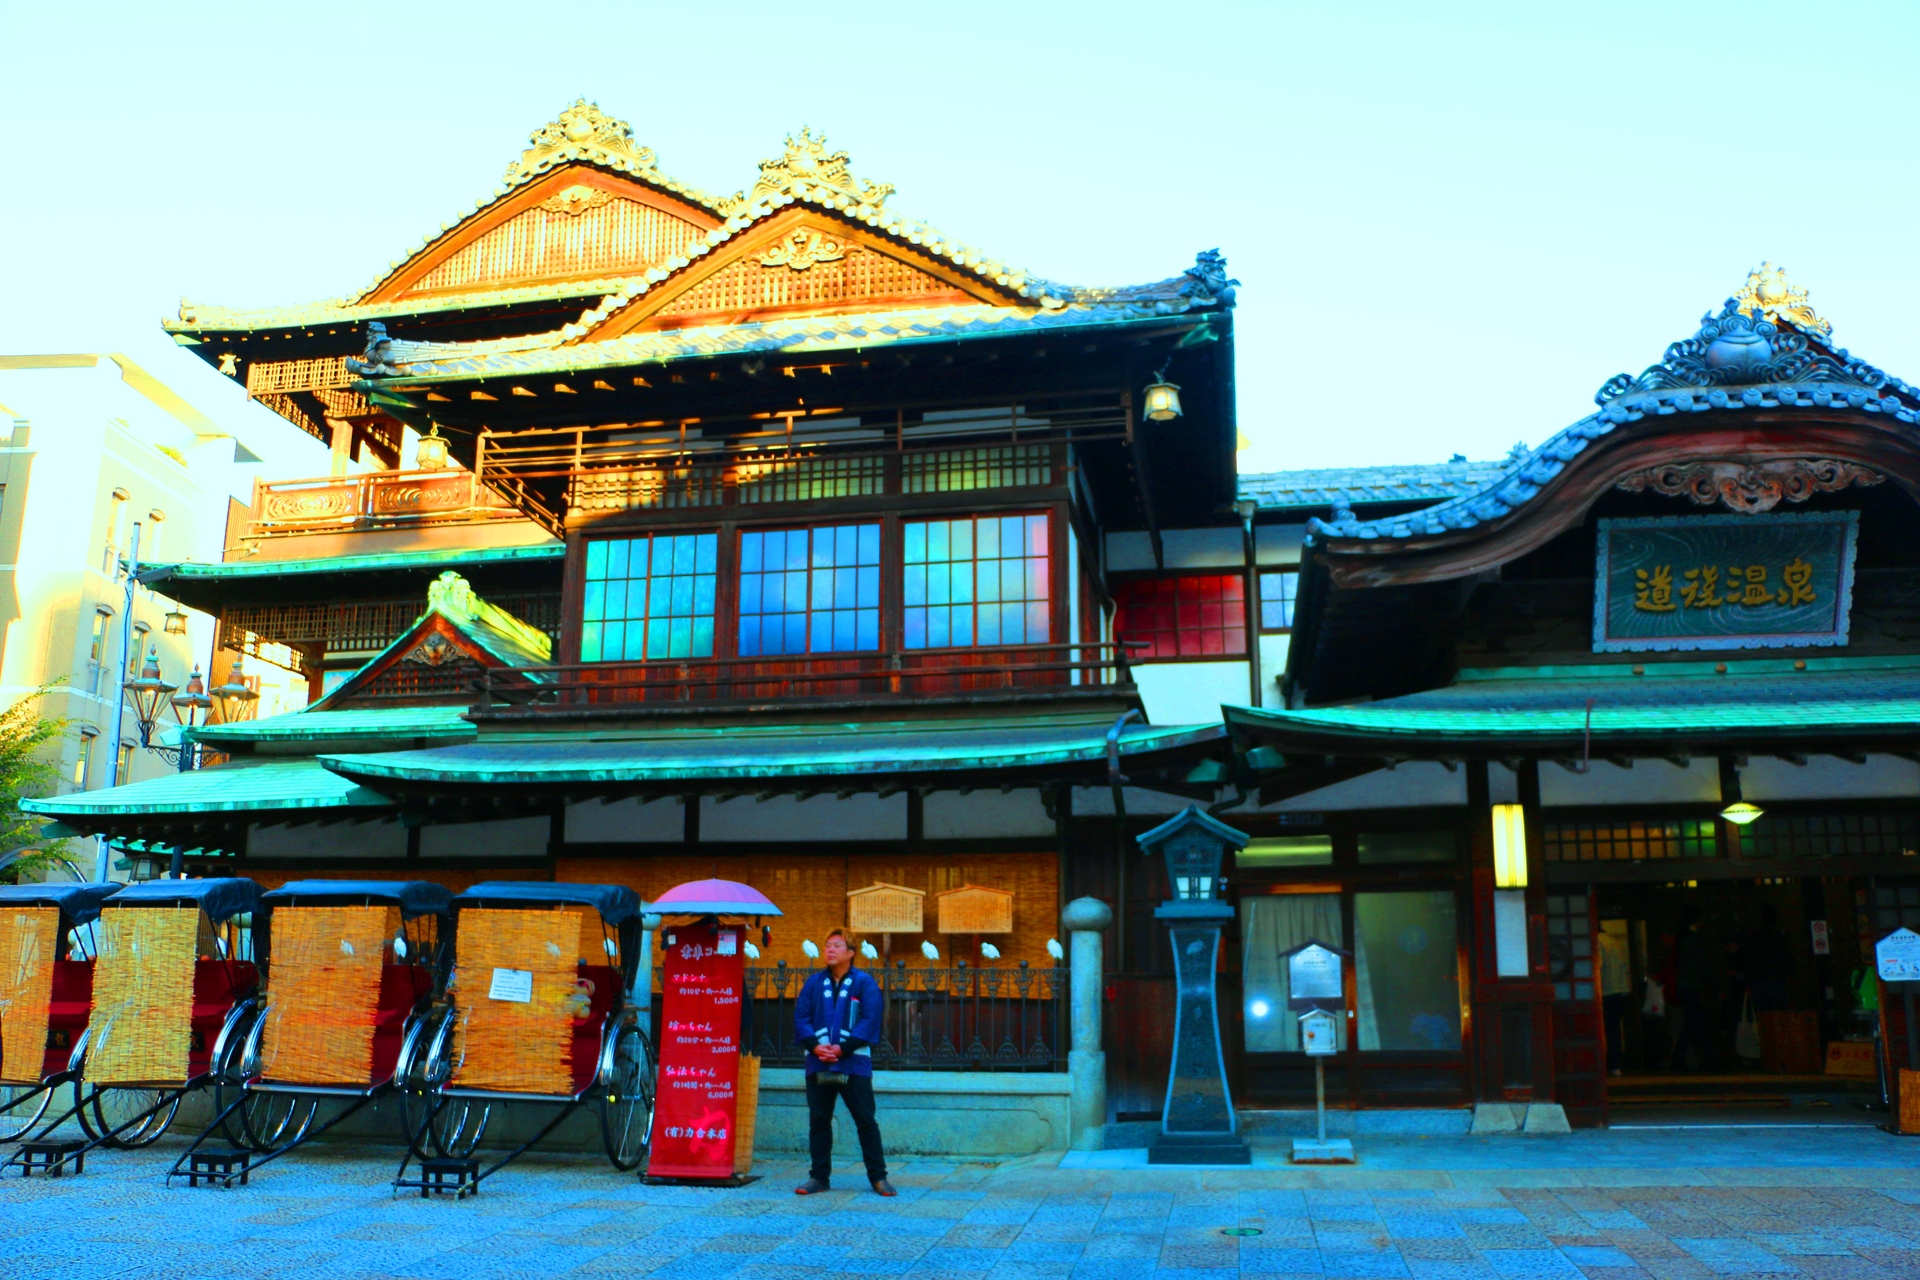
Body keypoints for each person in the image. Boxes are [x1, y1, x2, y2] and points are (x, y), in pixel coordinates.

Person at [793, 927, 894, 1196]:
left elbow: (870, 1020)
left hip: (854, 1063)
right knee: (819, 1120)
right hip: (818, 1061)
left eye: (837, 945)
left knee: (865, 1119)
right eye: (827, 945)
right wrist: (816, 1047)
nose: (830, 949)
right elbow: (801, 1018)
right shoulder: (813, 983)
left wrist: (842, 1049)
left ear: (851, 952)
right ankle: (819, 1177)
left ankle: (878, 1177)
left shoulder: (865, 983)